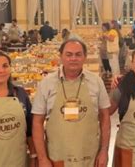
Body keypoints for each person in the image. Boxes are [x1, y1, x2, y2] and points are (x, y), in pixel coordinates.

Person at [32, 39, 111, 167]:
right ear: (61, 56)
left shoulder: (96, 82)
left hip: (90, 157)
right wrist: (42, 158)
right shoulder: (46, 83)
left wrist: (104, 151)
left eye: (78, 54)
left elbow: (105, 117)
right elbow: (37, 122)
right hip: (56, 158)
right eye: (69, 54)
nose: (73, 58)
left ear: (84, 57)